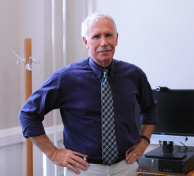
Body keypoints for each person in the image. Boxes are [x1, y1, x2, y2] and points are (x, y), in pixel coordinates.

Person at [18, 11, 158, 176]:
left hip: (125, 167)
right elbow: (27, 114)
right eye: (96, 36)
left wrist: (144, 142)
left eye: (108, 35)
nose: (104, 42)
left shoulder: (134, 75)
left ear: (116, 39)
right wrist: (54, 153)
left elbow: (150, 109)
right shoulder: (65, 78)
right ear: (86, 41)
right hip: (84, 169)